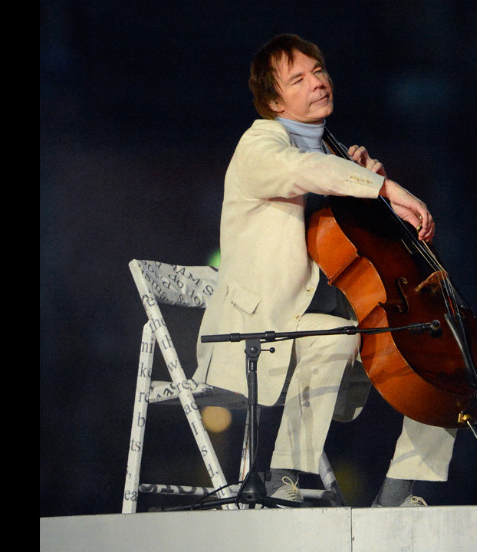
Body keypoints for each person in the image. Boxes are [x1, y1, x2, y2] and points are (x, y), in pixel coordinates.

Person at [194, 33, 457, 507]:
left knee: (437, 353)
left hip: (336, 321)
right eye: (299, 79)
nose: (317, 83)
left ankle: (401, 489)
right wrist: (383, 187)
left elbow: (345, 235)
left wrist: (359, 185)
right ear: (275, 100)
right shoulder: (260, 144)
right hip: (265, 326)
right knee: (332, 334)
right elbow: (304, 170)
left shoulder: (329, 154)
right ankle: (285, 475)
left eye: (318, 71)